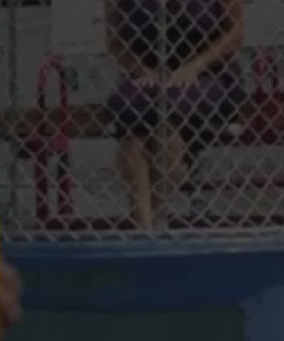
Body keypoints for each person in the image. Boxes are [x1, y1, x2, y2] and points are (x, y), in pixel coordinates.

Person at [104, 0, 244, 228]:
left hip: (207, 73)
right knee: (127, 105)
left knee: (167, 109)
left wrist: (195, 67)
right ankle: (142, 223)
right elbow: (114, 41)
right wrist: (141, 69)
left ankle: (158, 214)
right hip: (147, 73)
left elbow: (235, 34)